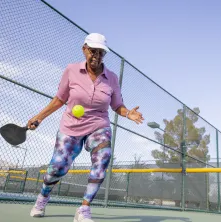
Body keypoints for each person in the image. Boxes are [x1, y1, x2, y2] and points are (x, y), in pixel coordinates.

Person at [27, 33, 144, 222]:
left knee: (103, 159)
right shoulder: (71, 70)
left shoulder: (111, 78)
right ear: (84, 49)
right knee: (57, 168)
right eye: (93, 51)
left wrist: (128, 113)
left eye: (101, 53)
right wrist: (39, 117)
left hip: (98, 125)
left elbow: (117, 105)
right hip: (71, 126)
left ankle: (84, 209)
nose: (96, 56)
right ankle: (42, 198)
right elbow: (59, 99)